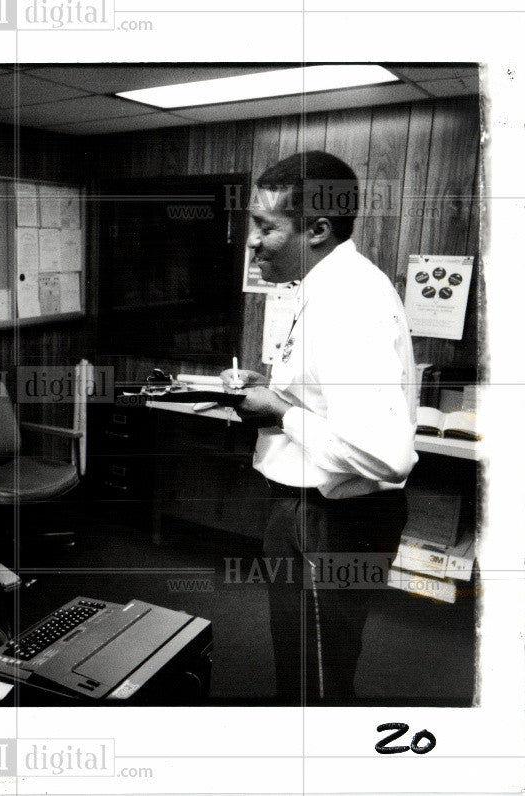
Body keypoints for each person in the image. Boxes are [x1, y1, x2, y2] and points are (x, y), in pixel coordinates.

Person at [221, 151, 418, 703]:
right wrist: (279, 393)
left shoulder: (349, 300)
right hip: (312, 512)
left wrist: (281, 412)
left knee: (316, 680)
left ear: (318, 229)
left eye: (265, 227)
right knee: (307, 666)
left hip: (332, 519)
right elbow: (330, 401)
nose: (253, 242)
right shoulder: (326, 287)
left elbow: (387, 455)